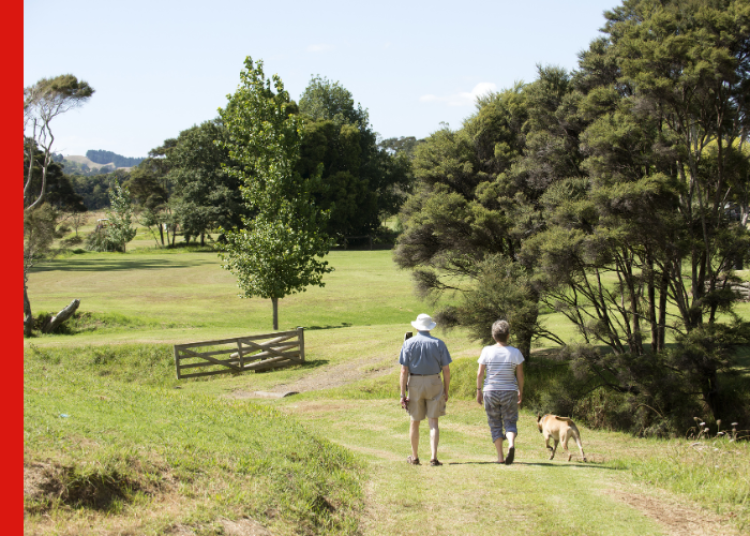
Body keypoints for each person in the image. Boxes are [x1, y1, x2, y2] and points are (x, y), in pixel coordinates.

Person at [399, 313, 452, 466]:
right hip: (434, 381)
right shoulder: (439, 344)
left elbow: (404, 371)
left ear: (416, 327)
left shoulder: (408, 344)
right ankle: (433, 457)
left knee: (414, 421)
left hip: (415, 381)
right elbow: (446, 370)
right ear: (430, 328)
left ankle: (415, 457)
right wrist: (446, 390)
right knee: (433, 422)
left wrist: (402, 393)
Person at [476, 319, 524, 465]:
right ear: (508, 335)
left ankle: (500, 457)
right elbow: (520, 375)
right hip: (509, 390)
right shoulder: (515, 352)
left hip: (490, 391)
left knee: (495, 423)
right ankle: (511, 444)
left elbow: (480, 373)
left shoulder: (486, 351)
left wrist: (478, 390)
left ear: (493, 336)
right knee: (510, 421)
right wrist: (520, 391)